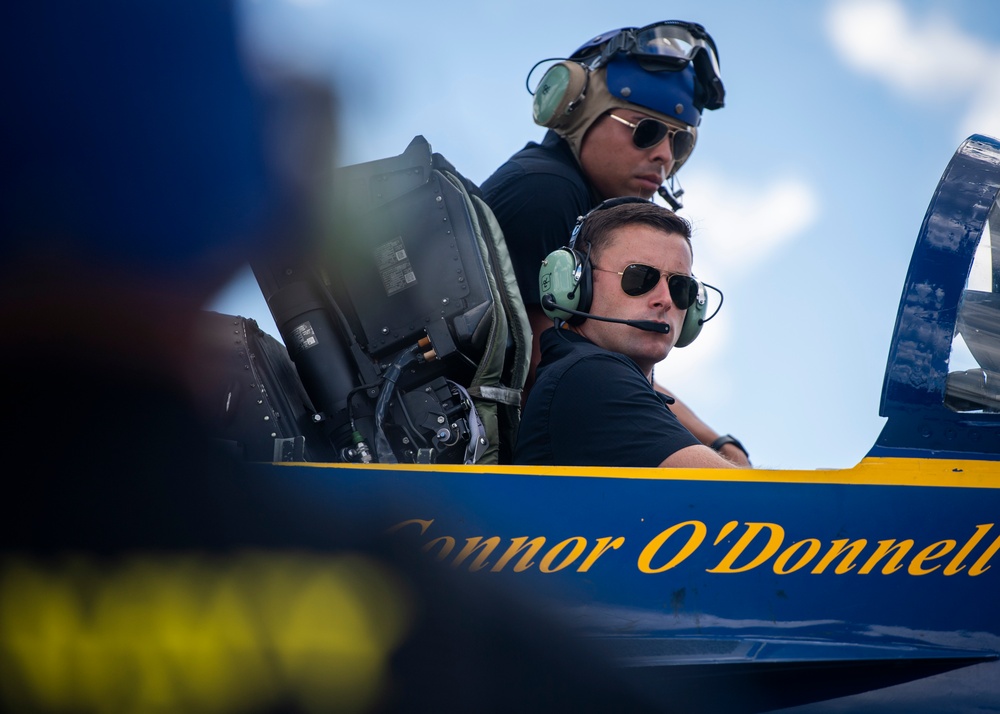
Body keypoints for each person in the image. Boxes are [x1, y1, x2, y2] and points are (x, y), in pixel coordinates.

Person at [482, 20, 751, 466]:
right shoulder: (546, 193)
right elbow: (545, 363)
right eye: (646, 130)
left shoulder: (576, 203)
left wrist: (716, 441)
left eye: (679, 140)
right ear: (574, 110)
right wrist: (712, 445)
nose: (664, 155)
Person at [514, 199, 744, 469]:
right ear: (577, 284)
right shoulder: (590, 376)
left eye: (680, 287)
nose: (665, 300)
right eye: (639, 278)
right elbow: (738, 494)